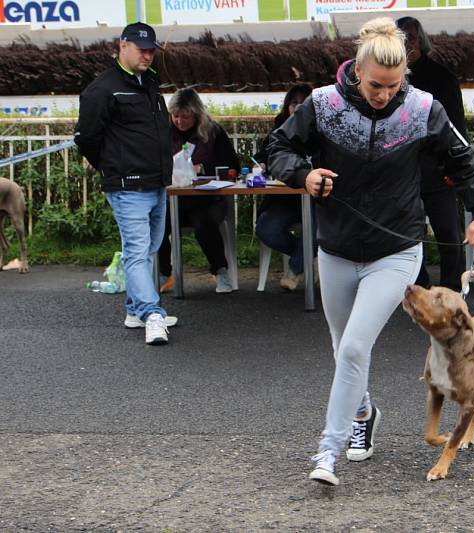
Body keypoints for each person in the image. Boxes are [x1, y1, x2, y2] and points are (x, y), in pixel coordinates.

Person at [269, 17, 474, 486]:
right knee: (341, 349)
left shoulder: (422, 108)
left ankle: (327, 452)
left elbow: (464, 158)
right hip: (336, 248)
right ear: (357, 72)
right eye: (375, 85)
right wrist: (302, 175)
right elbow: (277, 147)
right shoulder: (323, 105)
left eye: (393, 86)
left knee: (354, 346)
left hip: (397, 249)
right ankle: (365, 412)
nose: (383, 95)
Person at [74, 22, 176, 346]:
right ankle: (152, 314)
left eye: (151, 50)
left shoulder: (150, 82)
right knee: (137, 252)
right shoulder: (102, 89)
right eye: (141, 49)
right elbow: (86, 138)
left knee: (148, 250)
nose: (147, 55)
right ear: (122, 45)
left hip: (157, 182)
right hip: (127, 186)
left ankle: (135, 310)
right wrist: (112, 167)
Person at [397, 16, 469, 292]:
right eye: (400, 39)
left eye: (411, 38)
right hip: (403, 171)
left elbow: (457, 128)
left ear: (421, 41)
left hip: (438, 169)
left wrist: (454, 168)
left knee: (449, 233)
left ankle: (453, 289)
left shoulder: (441, 76)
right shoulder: (390, 78)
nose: (406, 45)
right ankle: (419, 289)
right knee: (409, 235)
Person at [157, 88, 240, 294]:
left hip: (207, 199)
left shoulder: (213, 132)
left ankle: (220, 271)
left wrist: (202, 169)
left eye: (185, 117)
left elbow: (232, 166)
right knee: (156, 223)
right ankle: (163, 274)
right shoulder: (163, 132)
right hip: (173, 199)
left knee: (204, 223)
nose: (180, 121)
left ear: (197, 114)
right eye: (175, 116)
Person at [253, 83, 315, 291]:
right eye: (293, 103)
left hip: (317, 198)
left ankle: (294, 269)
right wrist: (261, 164)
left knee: (321, 227)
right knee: (265, 228)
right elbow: (264, 157)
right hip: (283, 198)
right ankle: (306, 258)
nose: (297, 108)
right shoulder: (277, 130)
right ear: (287, 106)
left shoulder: (323, 130)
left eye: (303, 103)